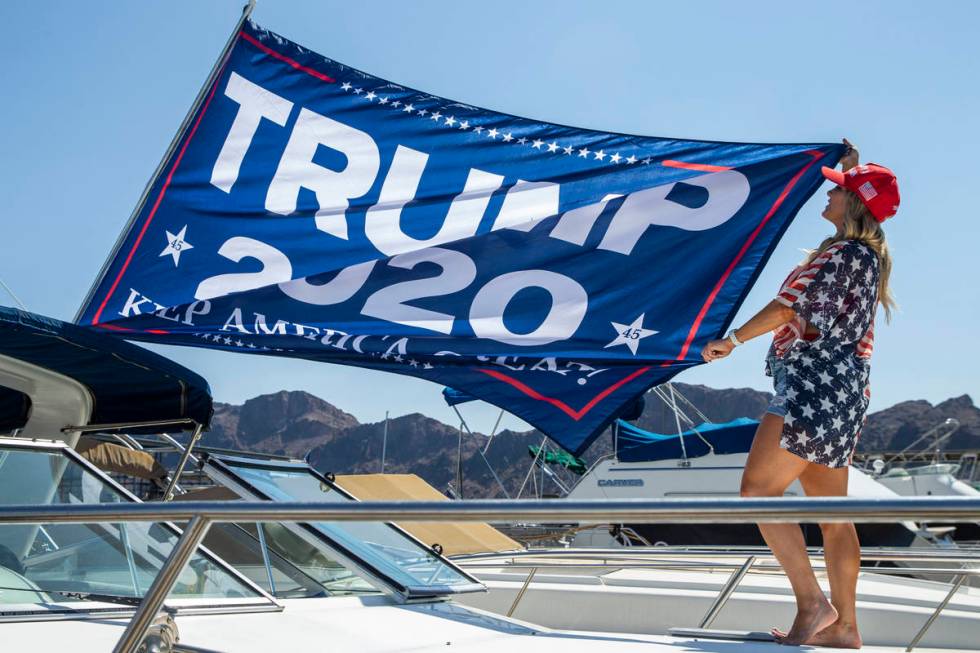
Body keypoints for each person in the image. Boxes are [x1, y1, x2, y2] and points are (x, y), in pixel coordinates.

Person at [700, 139, 899, 648]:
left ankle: (814, 605)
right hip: (845, 393)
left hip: (812, 387)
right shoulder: (865, 257)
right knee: (832, 516)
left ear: (854, 206)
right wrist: (853, 170)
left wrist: (733, 340)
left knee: (757, 494)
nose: (825, 197)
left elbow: (792, 309)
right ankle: (847, 628)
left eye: (838, 193)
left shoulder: (844, 255)